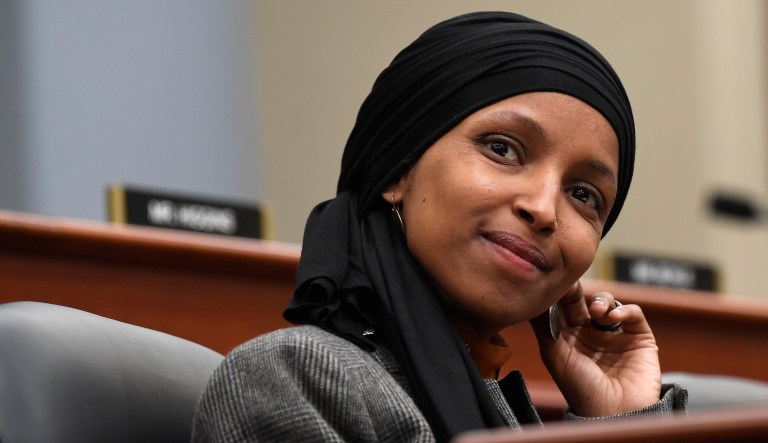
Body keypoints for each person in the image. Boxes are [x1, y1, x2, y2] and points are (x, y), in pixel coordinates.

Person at [192, 11, 687, 442]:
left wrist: (623, 421)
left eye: (583, 195)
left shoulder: (503, 410)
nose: (544, 209)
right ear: (397, 170)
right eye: (502, 149)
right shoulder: (300, 379)